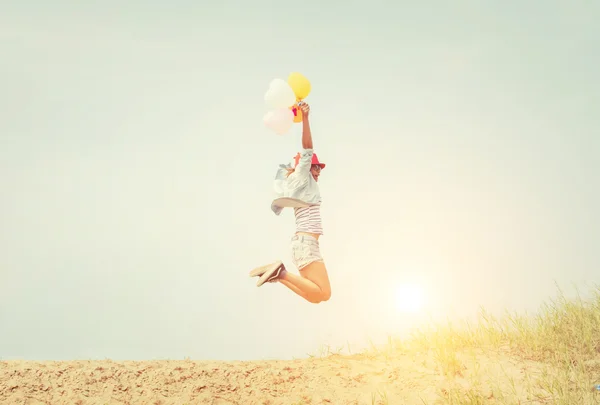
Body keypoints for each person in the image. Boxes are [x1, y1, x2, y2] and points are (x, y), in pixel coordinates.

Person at [249, 102, 332, 304]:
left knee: (316, 296)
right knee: (324, 294)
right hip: (306, 244)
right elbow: (307, 148)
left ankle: (279, 274)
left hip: (301, 244)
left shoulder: (297, 183)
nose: (319, 171)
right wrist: (305, 118)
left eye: (319, 168)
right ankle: (281, 271)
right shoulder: (303, 176)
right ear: (307, 167)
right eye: (316, 167)